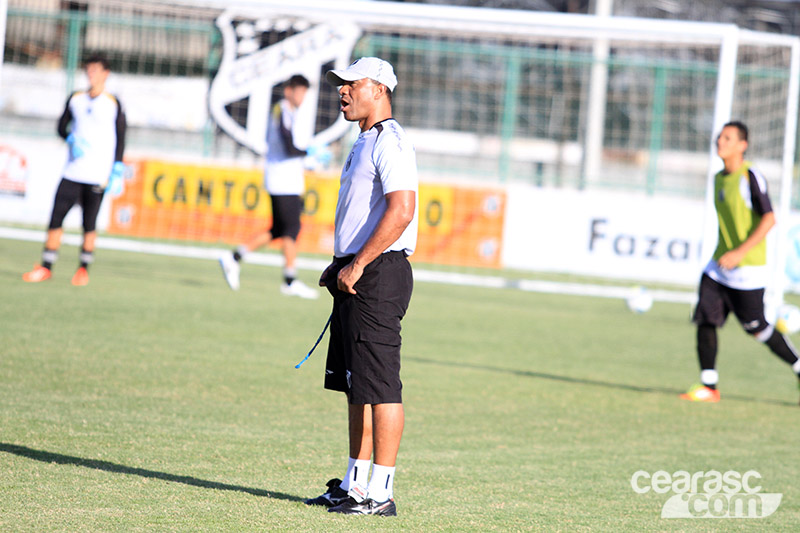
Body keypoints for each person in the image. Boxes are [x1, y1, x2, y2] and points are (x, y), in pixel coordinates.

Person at [303, 57, 417, 517]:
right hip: (355, 272)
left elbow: (402, 209)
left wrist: (360, 263)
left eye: (352, 84)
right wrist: (340, 264)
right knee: (357, 385)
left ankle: (381, 492)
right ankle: (354, 483)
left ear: (379, 89)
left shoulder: (390, 140)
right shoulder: (364, 140)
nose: (342, 91)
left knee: (382, 385)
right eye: (340, 85)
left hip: (379, 274)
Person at [681, 121, 800, 403]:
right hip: (718, 267)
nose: (720, 142)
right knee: (705, 319)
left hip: (747, 269)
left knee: (757, 329)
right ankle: (709, 386)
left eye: (727, 138)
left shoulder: (751, 176)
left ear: (742, 145)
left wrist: (739, 252)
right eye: (719, 137)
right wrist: (727, 253)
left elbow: (769, 219)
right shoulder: (718, 177)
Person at [23, 54, 126, 286]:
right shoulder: (76, 99)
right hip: (72, 172)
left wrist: (117, 167)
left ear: (105, 73)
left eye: (96, 70)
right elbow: (60, 126)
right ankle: (46, 267)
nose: (91, 74)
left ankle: (83, 270)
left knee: (89, 224)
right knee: (55, 219)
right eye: (88, 69)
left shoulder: (113, 102)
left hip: (97, 175)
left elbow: (121, 137)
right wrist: (70, 138)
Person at [218, 74, 318, 299]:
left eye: (304, 91)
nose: (302, 96)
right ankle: (290, 280)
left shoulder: (290, 113)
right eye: (299, 90)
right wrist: (308, 152)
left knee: (279, 230)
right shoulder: (281, 110)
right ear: (288, 91)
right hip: (282, 181)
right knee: (291, 229)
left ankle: (234, 257)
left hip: (288, 180)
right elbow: (289, 146)